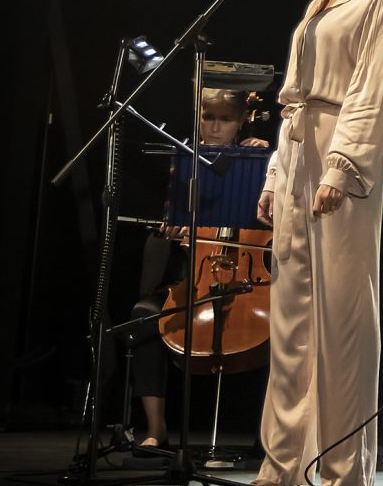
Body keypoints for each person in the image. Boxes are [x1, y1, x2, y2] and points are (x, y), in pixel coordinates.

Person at [253, 0, 383, 486]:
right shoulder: (321, 4)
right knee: (290, 315)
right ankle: (282, 460)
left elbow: (373, 91)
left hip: (340, 150)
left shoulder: (381, 1)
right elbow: (293, 97)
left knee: (343, 312)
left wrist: (342, 166)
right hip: (297, 150)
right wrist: (275, 175)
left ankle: (343, 465)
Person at [113, 88, 269, 449]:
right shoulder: (182, 166)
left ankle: (273, 437)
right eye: (207, 117)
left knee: (291, 325)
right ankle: (156, 428)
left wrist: (271, 167)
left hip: (249, 280)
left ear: (242, 121)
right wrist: (165, 236)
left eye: (225, 119)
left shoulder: (260, 163)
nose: (214, 127)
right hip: (192, 280)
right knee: (142, 314)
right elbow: (150, 275)